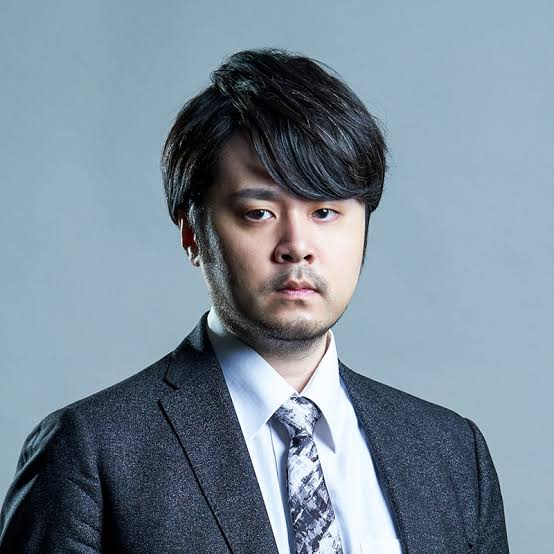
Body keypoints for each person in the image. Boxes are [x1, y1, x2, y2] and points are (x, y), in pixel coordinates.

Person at [0, 48, 509, 554]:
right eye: (259, 213)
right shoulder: (91, 451)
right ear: (192, 235)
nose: (297, 245)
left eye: (325, 212)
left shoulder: (452, 453)